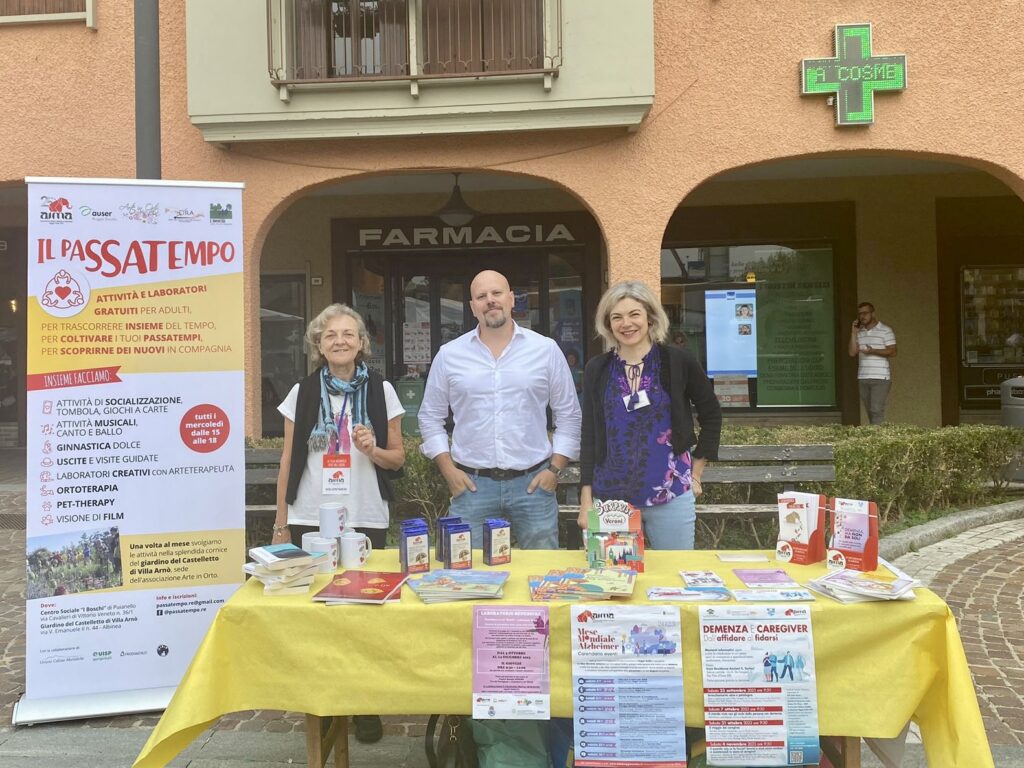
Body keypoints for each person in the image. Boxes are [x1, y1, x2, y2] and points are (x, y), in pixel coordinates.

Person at [273, 303, 405, 745]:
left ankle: (365, 703)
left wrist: (372, 450)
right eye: (330, 335)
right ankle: (326, 703)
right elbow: (288, 459)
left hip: (364, 516)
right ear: (318, 345)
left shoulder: (382, 390)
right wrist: (280, 523)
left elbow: (397, 459)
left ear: (361, 343)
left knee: (365, 616)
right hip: (311, 517)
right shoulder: (303, 391)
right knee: (318, 617)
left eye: (348, 334)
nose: (340, 341)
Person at [418, 270, 582, 550]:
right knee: (465, 570)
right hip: (471, 487)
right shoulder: (450, 355)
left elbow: (569, 414)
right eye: (481, 296)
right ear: (473, 307)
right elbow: (430, 417)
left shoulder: (545, 350)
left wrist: (555, 469)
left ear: (511, 299)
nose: (490, 300)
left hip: (534, 485)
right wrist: (448, 471)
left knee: (541, 570)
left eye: (496, 293)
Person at [577, 281, 721, 550]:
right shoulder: (597, 369)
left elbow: (711, 414)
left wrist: (696, 472)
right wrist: (586, 501)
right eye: (617, 317)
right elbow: (589, 436)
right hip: (610, 501)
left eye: (634, 314)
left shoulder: (678, 361)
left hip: (670, 495)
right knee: (614, 574)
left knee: (674, 574)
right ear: (608, 324)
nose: (626, 324)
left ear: (650, 318)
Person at [848, 301, 897, 425]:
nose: (862, 316)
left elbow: (893, 352)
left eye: (865, 313)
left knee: (876, 409)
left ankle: (878, 435)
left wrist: (873, 351)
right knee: (870, 411)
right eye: (860, 314)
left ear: (873, 314)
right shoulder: (859, 332)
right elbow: (852, 353)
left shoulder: (885, 330)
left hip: (880, 377)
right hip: (863, 376)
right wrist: (853, 333)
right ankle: (875, 433)